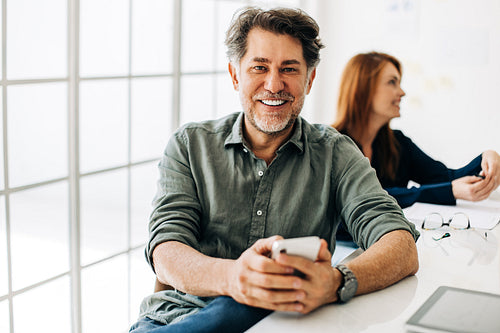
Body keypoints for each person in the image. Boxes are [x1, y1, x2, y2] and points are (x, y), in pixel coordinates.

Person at [130, 8, 419, 333]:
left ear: (309, 80)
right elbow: (166, 249)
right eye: (259, 67)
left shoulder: (336, 153)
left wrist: (337, 280)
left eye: (289, 69)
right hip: (179, 318)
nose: (273, 83)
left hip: (286, 322)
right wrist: (234, 278)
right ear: (235, 75)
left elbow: (400, 244)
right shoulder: (189, 145)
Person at [332, 51, 500, 210]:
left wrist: (486, 159)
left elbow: (447, 179)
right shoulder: (331, 145)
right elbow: (365, 198)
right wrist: (447, 191)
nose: (402, 92)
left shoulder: (398, 144)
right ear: (364, 88)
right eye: (392, 82)